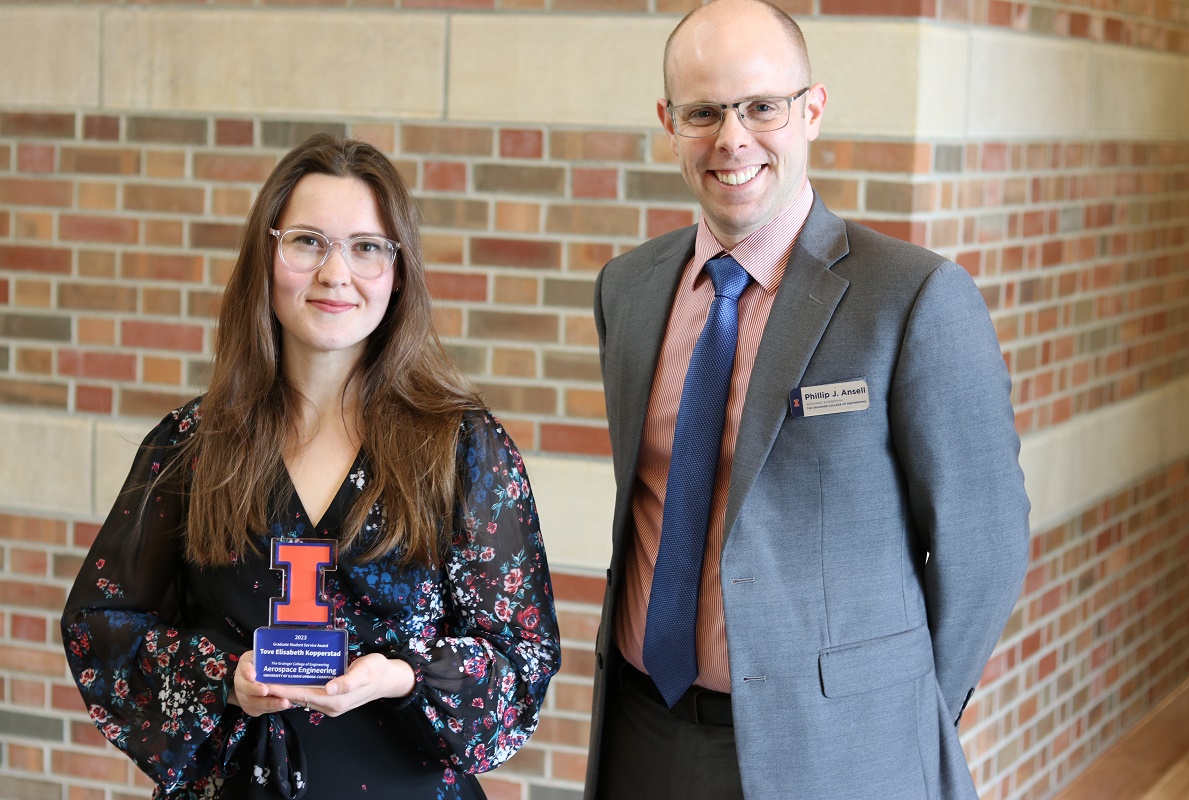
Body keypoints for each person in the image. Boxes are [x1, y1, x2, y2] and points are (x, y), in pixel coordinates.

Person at [586, 1, 1030, 798]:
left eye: (762, 106)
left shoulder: (914, 296)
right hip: (641, 731)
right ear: (669, 121)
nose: (733, 138)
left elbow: (984, 544)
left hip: (835, 755)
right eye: (703, 112)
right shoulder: (628, 289)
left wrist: (904, 717)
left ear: (812, 110)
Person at [62, 134, 560, 799]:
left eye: (365, 247)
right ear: (265, 257)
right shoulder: (193, 442)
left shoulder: (461, 449)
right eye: (307, 241)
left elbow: (521, 658)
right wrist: (223, 678)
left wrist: (404, 676)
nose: (335, 273)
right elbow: (103, 624)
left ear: (399, 271)